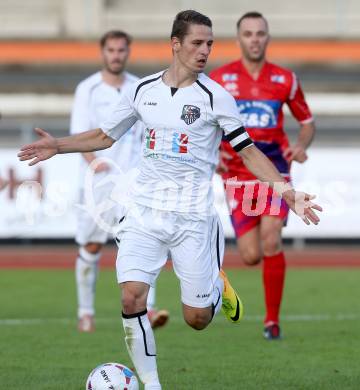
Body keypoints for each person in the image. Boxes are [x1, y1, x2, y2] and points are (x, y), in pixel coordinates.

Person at [18, 10, 321, 389]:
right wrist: (58, 145)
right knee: (131, 299)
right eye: (197, 42)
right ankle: (152, 385)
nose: (205, 50)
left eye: (209, 43)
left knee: (196, 319)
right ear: (175, 44)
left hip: (191, 216)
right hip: (144, 212)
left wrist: (286, 192)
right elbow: (104, 136)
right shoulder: (143, 90)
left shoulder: (216, 97)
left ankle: (215, 286)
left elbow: (248, 152)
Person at [209, 11, 316, 340]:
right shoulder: (218, 79)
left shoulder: (285, 79)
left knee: (272, 240)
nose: (254, 39)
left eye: (260, 33)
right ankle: (218, 281)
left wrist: (299, 145)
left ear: (267, 38)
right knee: (251, 256)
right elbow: (206, 125)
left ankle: (272, 321)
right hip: (238, 172)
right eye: (248, 34)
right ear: (239, 38)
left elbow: (307, 123)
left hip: (274, 168)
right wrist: (213, 156)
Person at [70, 30, 169, 332]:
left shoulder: (139, 88)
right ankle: (86, 312)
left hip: (135, 183)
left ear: (128, 52)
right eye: (111, 50)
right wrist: (96, 166)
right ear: (103, 53)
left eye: (121, 50)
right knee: (92, 246)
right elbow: (79, 133)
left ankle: (147, 309)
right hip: (98, 183)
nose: (116, 55)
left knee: (144, 244)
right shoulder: (87, 89)